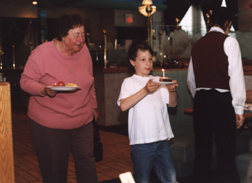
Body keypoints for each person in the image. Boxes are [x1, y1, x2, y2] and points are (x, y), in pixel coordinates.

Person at [20, 14, 99, 183]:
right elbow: (25, 81)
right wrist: (43, 89)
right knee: (55, 173)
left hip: (82, 121)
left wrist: (93, 106)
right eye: (76, 35)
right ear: (63, 35)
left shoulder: (84, 51)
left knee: (88, 170)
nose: (81, 39)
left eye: (83, 34)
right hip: (49, 125)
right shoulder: (42, 53)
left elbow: (89, 80)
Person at [187, 7, 246, 183]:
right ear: (228, 24)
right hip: (221, 101)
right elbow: (236, 77)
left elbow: (191, 80)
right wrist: (239, 109)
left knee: (202, 150)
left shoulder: (197, 44)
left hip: (201, 101)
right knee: (225, 151)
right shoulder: (229, 42)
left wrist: (200, 96)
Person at [117, 40, 179, 183]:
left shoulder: (159, 80)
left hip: (162, 140)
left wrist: (171, 91)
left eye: (150, 59)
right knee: (142, 179)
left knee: (171, 178)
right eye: (143, 59)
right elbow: (123, 106)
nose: (148, 63)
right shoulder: (129, 82)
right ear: (133, 62)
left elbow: (173, 104)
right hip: (141, 142)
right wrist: (145, 90)